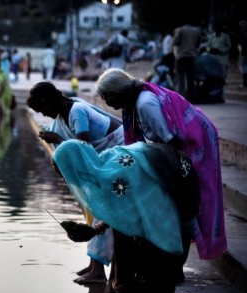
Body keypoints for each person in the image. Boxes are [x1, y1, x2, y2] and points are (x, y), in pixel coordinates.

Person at [54, 139, 200, 293]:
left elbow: (145, 206)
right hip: (147, 217)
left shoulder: (118, 171)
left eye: (66, 174)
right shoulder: (105, 167)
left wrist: (102, 230)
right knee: (121, 268)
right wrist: (94, 230)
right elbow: (121, 208)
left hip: (164, 217)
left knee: (142, 275)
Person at [95, 68, 227, 275]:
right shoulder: (135, 103)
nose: (107, 103)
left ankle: (175, 270)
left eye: (107, 97)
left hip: (192, 146)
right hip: (175, 149)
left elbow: (173, 142)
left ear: (117, 92)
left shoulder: (145, 104)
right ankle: (173, 268)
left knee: (183, 209)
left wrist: (173, 179)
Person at [26, 82, 124, 285]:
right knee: (95, 209)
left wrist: (57, 138)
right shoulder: (63, 114)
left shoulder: (76, 111)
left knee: (101, 210)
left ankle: (98, 271)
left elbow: (84, 151)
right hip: (103, 160)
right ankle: (93, 263)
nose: (43, 115)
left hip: (116, 156)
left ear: (47, 101)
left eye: (41, 109)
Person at [172, 22, 202, 101]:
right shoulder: (196, 31)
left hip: (181, 57)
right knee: (191, 78)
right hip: (191, 57)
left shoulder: (181, 30)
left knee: (181, 78)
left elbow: (175, 42)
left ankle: (182, 98)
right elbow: (198, 44)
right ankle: (191, 98)